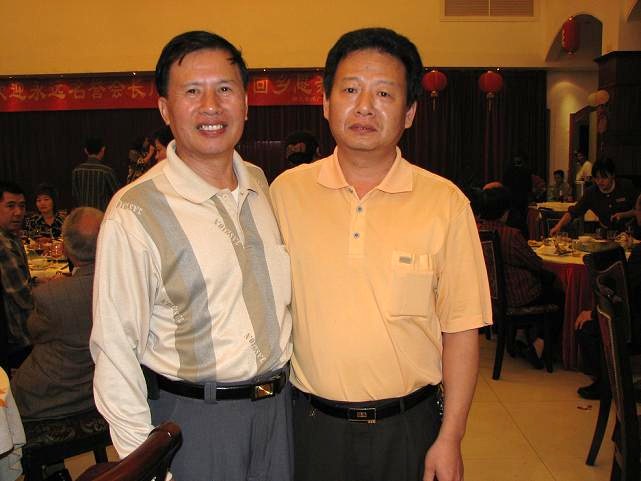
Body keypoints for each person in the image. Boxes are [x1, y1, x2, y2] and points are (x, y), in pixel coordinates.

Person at [270, 27, 492, 481]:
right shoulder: (286, 194)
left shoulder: (445, 203)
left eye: (385, 93)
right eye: (350, 90)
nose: (365, 107)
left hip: (409, 427)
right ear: (326, 102)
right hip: (310, 427)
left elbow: (461, 330)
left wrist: (451, 438)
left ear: (409, 112)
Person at [90, 31, 293, 481]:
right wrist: (146, 464)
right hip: (194, 422)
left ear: (246, 103)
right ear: (165, 109)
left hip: (278, 413)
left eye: (224, 89)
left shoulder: (260, 183)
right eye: (192, 92)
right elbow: (114, 348)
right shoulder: (135, 210)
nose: (211, 106)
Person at [11, 207, 103, 419]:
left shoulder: (49, 295)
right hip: (105, 390)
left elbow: (34, 334)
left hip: (53, 396)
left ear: (65, 248)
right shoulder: (127, 286)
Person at [478, 186, 564, 368]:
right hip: (518, 295)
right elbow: (535, 263)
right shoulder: (510, 235)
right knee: (559, 294)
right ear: (504, 211)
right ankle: (539, 345)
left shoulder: (478, 231)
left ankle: (523, 337)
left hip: (493, 296)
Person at [549, 158, 638, 237]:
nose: (600, 181)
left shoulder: (626, 186)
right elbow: (573, 212)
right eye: (597, 178)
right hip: (606, 234)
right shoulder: (591, 192)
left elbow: (638, 209)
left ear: (612, 175)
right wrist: (558, 226)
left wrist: (624, 215)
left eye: (604, 177)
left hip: (630, 233)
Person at [0, 181, 33, 366]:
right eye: (10, 206)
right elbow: (24, 298)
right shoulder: (3, 244)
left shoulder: (12, 236)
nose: (18, 212)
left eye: (22, 206)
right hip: (18, 338)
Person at [72, 137, 120, 211]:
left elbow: (75, 196)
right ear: (103, 149)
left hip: (82, 214)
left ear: (86, 151)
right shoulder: (106, 171)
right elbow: (117, 195)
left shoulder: (76, 171)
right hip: (101, 214)